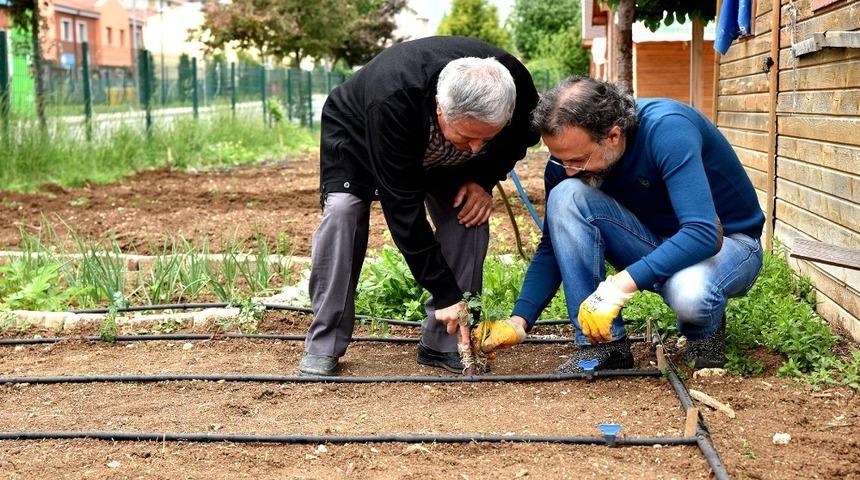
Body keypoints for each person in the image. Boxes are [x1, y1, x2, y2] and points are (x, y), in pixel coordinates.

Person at [476, 76, 764, 372]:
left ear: (613, 136)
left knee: (690, 292)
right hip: (654, 239)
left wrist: (616, 288)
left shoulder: (668, 130)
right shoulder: (567, 164)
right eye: (560, 159)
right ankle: (605, 347)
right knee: (566, 195)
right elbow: (552, 244)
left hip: (729, 243)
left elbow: (703, 233)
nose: (570, 170)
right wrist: (519, 321)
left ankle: (705, 333)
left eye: (579, 159)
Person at [298, 36, 540, 376]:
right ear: (441, 109)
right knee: (343, 213)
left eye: (486, 137)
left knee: (468, 213)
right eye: (467, 137)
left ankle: (444, 343)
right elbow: (404, 211)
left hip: (436, 141)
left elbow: (522, 137)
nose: (474, 148)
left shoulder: (516, 88)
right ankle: (325, 340)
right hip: (361, 134)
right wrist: (444, 291)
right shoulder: (392, 97)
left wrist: (483, 178)